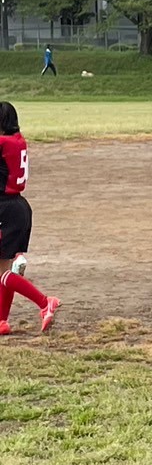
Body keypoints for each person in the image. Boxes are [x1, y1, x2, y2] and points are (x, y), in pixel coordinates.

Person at [0, 103, 60, 335]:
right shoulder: (18, 140)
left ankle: (46, 303)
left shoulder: (3, 143)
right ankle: (2, 321)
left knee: (4, 273)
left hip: (5, 209)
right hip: (18, 207)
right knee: (4, 272)